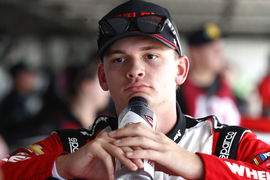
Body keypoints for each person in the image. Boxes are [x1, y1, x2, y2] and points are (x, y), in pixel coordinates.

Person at [2, 0, 270, 179]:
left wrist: (195, 165)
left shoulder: (227, 143)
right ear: (103, 77)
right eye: (119, 59)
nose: (135, 70)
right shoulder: (75, 146)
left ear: (180, 71)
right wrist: (64, 167)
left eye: (150, 56)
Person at [177, 23, 241, 125]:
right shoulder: (178, 88)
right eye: (213, 49)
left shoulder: (227, 83)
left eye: (220, 49)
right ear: (194, 52)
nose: (219, 54)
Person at [35, 52, 110, 131]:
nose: (109, 90)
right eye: (103, 81)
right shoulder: (56, 128)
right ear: (87, 86)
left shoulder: (109, 122)